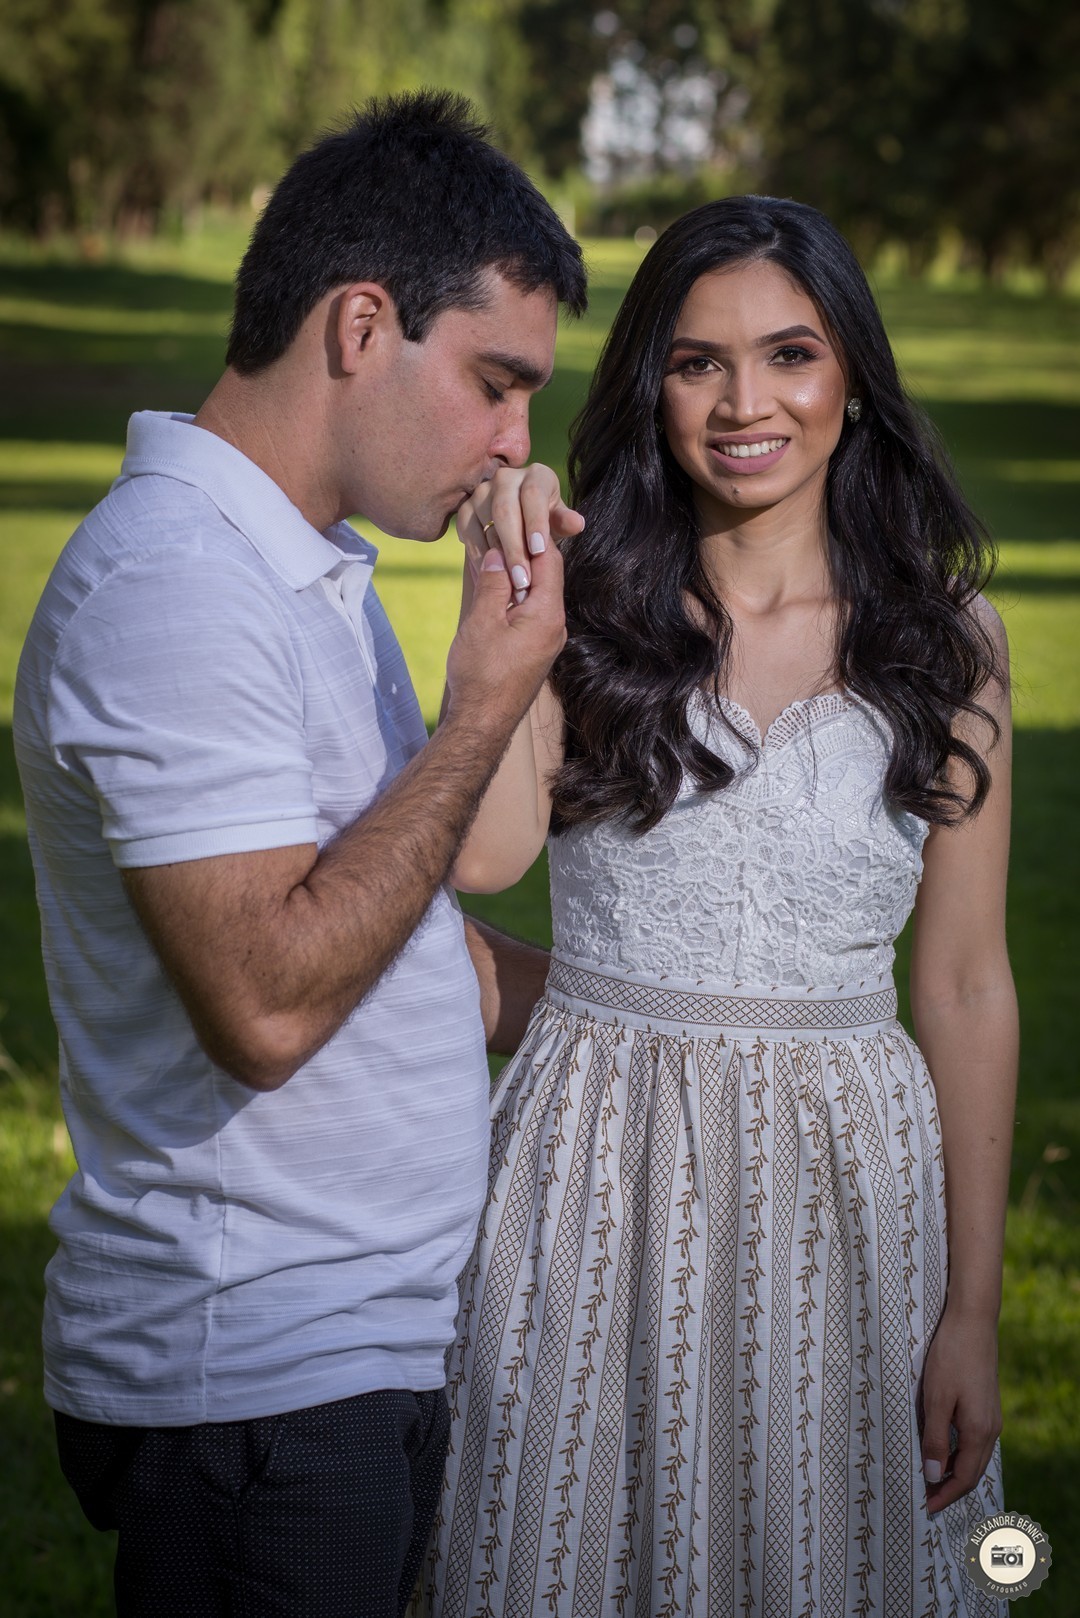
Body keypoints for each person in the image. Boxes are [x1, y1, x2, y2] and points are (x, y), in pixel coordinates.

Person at [13, 90, 588, 1618]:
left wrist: (676, 1010)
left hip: (346, 1359)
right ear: (357, 326)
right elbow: (268, 998)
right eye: (494, 381)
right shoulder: (172, 588)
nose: (516, 440)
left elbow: (404, 946)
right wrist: (483, 710)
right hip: (257, 1386)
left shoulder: (298, 570)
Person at [415, 196, 1016, 1617]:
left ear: (851, 376)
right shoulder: (588, 606)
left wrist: (972, 1308)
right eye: (698, 362)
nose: (747, 402)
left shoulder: (942, 635)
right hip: (594, 1171)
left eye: (790, 354)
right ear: (652, 386)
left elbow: (970, 984)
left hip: (851, 1195)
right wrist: (499, 603)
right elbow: (486, 857)